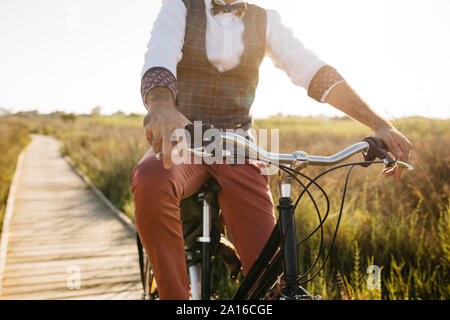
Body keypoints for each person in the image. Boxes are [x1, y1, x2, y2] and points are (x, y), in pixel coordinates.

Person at [132, 0, 412, 300]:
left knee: (270, 272)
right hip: (184, 139)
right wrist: (161, 105)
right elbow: (160, 54)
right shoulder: (181, 6)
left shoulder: (266, 20)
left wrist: (379, 124)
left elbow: (311, 68)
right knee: (150, 179)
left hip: (237, 146)